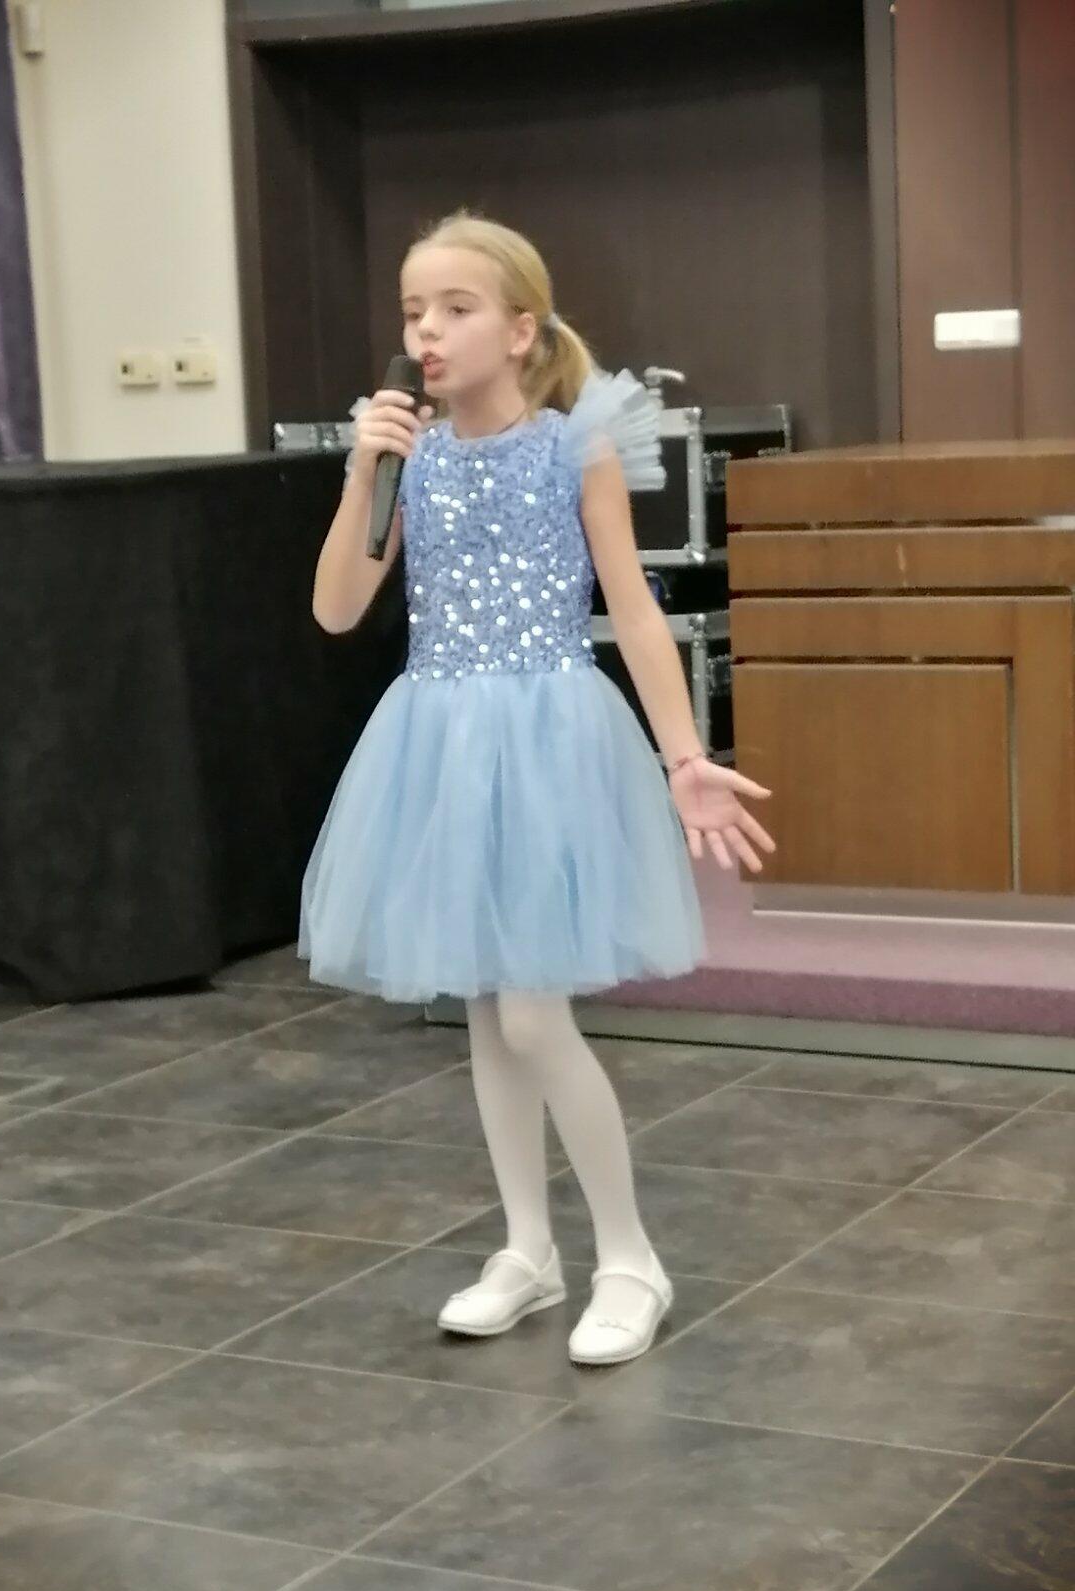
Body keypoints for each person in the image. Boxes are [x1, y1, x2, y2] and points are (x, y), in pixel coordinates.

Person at [300, 210, 775, 1365]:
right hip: (440, 739)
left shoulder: (574, 445)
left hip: (549, 736)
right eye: (413, 310)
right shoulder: (410, 456)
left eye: (455, 308)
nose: (427, 330)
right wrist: (365, 467)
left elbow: (635, 608)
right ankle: (528, 1247)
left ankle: (630, 1256)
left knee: (529, 1010)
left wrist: (683, 756)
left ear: (520, 330)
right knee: (485, 1006)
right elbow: (337, 608)